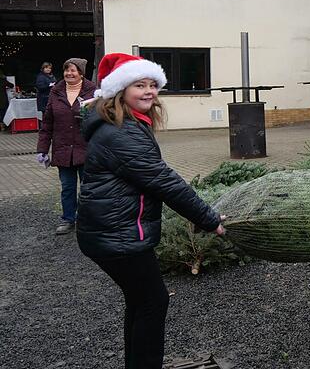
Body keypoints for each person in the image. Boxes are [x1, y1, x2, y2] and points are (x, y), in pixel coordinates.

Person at [77, 53, 226, 369]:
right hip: (116, 236)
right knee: (151, 302)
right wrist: (210, 219)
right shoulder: (121, 132)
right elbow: (165, 182)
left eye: (153, 85)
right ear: (120, 91)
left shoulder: (123, 123)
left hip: (111, 232)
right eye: (139, 85)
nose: (149, 92)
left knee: (141, 301)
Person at [36, 58, 96, 234]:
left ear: (81, 73)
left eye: (73, 70)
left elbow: (102, 119)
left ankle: (89, 220)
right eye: (66, 70)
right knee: (67, 188)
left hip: (86, 148)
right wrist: (42, 149)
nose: (69, 73)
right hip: (63, 149)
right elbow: (47, 123)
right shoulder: (56, 91)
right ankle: (68, 219)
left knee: (89, 188)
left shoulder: (92, 91)